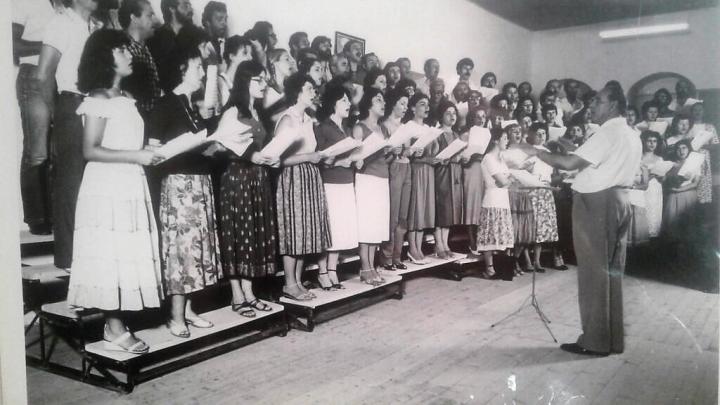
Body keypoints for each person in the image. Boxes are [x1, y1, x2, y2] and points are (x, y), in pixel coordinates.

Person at [512, 84, 642, 356]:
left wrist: (537, 152)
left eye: (599, 101)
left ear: (615, 105)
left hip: (597, 204)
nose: (593, 106)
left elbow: (570, 164)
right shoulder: (629, 133)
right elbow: (589, 157)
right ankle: (612, 340)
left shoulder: (607, 133)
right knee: (612, 272)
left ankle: (594, 342)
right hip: (619, 200)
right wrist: (565, 146)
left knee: (594, 273)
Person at [67, 29, 164, 354]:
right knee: (111, 253)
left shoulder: (126, 100)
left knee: (124, 251)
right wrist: (137, 155)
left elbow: (123, 140)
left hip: (128, 181)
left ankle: (116, 324)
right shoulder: (97, 99)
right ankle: (113, 327)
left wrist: (150, 148)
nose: (129, 54)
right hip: (106, 185)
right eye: (121, 50)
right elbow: (90, 150)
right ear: (104, 58)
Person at [36, 0, 101, 270]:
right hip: (71, 104)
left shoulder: (96, 26)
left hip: (95, 106)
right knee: (70, 184)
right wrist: (59, 112)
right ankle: (68, 258)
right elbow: (42, 75)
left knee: (93, 182)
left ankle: (90, 254)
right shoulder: (60, 23)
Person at [218, 61, 280, 317]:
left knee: (253, 234)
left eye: (265, 79)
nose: (264, 84)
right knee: (237, 234)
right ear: (244, 82)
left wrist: (270, 158)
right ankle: (236, 295)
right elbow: (220, 147)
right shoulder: (232, 111)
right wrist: (249, 156)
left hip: (258, 178)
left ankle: (249, 293)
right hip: (238, 178)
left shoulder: (257, 112)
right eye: (259, 80)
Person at [275, 73, 331, 301]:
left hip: (309, 176)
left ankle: (297, 282)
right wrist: (310, 156)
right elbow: (279, 160)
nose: (313, 93)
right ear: (297, 91)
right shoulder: (287, 120)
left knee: (305, 233)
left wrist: (319, 158)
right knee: (293, 233)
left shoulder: (308, 120)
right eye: (309, 88)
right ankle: (289, 283)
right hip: (293, 178)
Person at [12, 0, 59, 235]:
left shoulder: (67, 6)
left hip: (63, 79)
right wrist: (50, 46)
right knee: (37, 150)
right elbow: (11, 45)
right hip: (32, 76)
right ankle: (37, 219)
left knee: (58, 149)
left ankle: (55, 215)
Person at [314, 84, 357, 289]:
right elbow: (320, 159)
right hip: (330, 183)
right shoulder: (323, 127)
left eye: (349, 100)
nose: (349, 104)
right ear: (333, 103)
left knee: (340, 228)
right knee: (329, 229)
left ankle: (333, 269)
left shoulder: (346, 129)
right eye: (344, 100)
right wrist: (339, 162)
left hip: (346, 182)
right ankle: (322, 271)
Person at [353, 88, 393, 285]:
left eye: (383, 99)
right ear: (369, 103)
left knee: (377, 224)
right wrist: (359, 159)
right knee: (367, 224)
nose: (383, 102)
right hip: (367, 179)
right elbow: (355, 158)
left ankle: (372, 265)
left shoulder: (383, 129)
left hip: (382, 179)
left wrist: (393, 150)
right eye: (378, 99)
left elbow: (385, 157)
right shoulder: (360, 128)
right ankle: (365, 267)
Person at [379, 89, 411, 270]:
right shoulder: (385, 125)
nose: (405, 107)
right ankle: (386, 257)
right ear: (393, 104)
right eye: (402, 103)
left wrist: (411, 151)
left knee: (403, 217)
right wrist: (393, 150)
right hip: (394, 168)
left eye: (407, 104)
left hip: (407, 167)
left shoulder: (405, 127)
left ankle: (398, 256)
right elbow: (383, 152)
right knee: (392, 215)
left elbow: (405, 151)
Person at [476, 128, 514, 278]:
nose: (507, 141)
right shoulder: (488, 158)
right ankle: (489, 268)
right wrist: (511, 177)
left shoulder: (501, 159)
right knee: (490, 235)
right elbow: (503, 181)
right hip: (492, 201)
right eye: (505, 138)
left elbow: (506, 181)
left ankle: (502, 267)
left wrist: (508, 179)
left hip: (503, 201)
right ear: (496, 140)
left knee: (502, 235)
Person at [405, 93, 437, 264]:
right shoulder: (409, 126)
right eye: (422, 104)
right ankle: (412, 248)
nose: (426, 107)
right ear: (412, 107)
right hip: (416, 169)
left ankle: (418, 248)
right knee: (415, 209)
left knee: (424, 210)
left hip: (429, 170)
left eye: (427, 104)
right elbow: (407, 152)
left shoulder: (428, 128)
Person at [120, 0, 161, 117]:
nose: (154, 20)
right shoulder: (124, 50)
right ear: (134, 18)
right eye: (149, 15)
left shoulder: (145, 48)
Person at [433, 101, 464, 259]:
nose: (452, 116)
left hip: (455, 174)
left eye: (454, 113)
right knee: (442, 209)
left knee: (451, 211)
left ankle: (446, 244)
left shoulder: (456, 135)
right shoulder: (437, 133)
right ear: (441, 115)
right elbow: (434, 156)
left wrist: (461, 157)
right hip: (443, 174)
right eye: (448, 113)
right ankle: (439, 245)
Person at [148, 0, 194, 93]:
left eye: (190, 5)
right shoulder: (155, 39)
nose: (191, 9)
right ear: (172, 9)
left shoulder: (194, 36)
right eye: (185, 5)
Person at [461, 107, 488, 252]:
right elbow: (461, 159)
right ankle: (472, 241)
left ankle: (482, 240)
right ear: (472, 119)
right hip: (471, 171)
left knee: (483, 206)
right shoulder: (466, 135)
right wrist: (471, 157)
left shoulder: (488, 135)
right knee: (472, 206)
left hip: (484, 172)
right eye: (478, 117)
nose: (481, 119)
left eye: (483, 116)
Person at [639, 131, 665, 239]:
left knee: (654, 212)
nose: (652, 144)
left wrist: (661, 176)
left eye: (655, 141)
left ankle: (653, 236)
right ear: (644, 142)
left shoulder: (659, 159)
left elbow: (664, 179)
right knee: (643, 212)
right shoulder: (638, 158)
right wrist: (649, 175)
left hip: (656, 189)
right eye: (649, 141)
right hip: (642, 189)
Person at [219, 35, 253, 107]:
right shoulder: (220, 83)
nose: (250, 58)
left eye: (251, 54)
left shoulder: (245, 81)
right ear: (232, 56)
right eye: (245, 53)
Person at [200, 1, 228, 67]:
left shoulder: (225, 42)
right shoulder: (200, 44)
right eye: (219, 19)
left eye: (225, 19)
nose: (224, 23)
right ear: (208, 22)